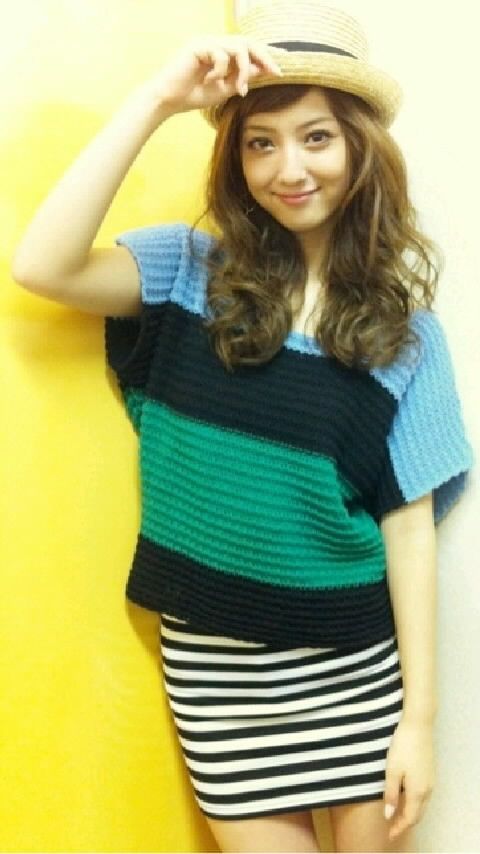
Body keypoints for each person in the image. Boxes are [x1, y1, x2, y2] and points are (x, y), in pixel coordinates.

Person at [12, 2, 475, 852]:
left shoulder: (407, 337)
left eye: (316, 137)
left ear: (359, 148)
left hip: (351, 666)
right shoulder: (189, 271)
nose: (287, 168)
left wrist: (418, 722)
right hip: (216, 676)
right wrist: (159, 99)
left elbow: (408, 531)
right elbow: (42, 265)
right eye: (260, 142)